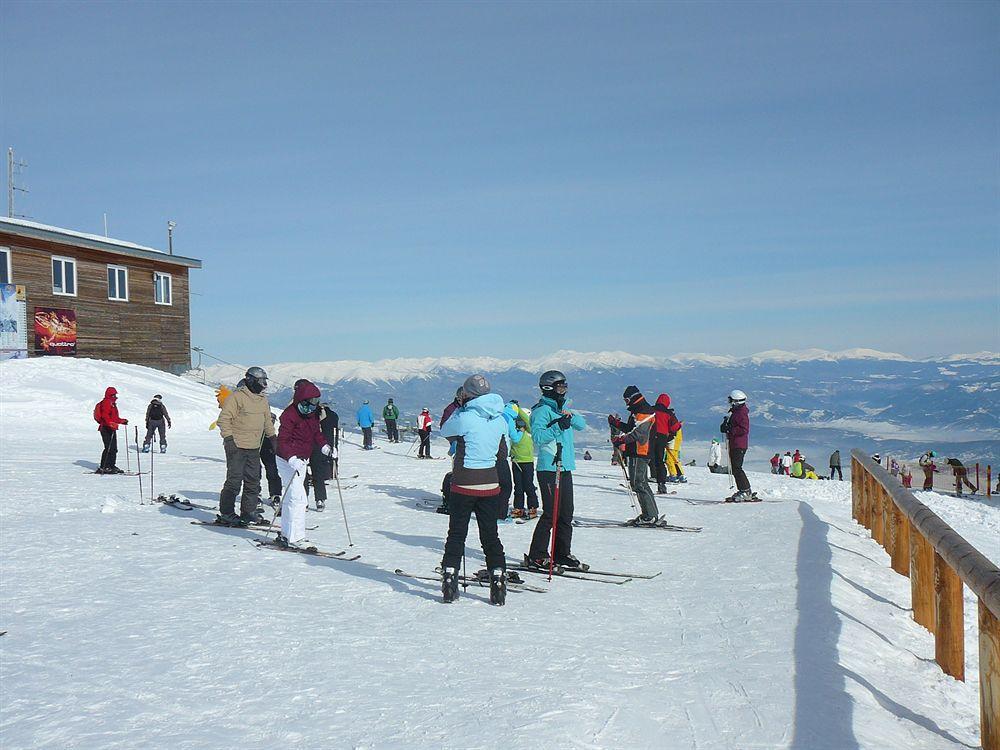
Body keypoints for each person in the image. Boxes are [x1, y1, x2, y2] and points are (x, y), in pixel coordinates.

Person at [438, 374, 509, 605]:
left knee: (457, 534)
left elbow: (445, 431)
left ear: (466, 394)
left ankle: (450, 581)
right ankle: (497, 579)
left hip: (464, 483)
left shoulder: (465, 417)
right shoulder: (500, 419)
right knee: (490, 536)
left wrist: (460, 408)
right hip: (490, 483)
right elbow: (502, 453)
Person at [525, 371, 587, 570]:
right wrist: (558, 426)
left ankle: (562, 553)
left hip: (565, 466)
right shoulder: (541, 411)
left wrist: (568, 415)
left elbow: (581, 425)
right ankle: (537, 554)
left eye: (565, 386)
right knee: (551, 513)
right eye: (560, 386)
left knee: (566, 513)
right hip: (549, 468)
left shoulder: (561, 408)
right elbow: (538, 438)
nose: (564, 390)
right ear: (548, 388)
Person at [276, 379, 336, 547]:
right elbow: (283, 440)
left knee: (293, 498)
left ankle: (288, 534)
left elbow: (316, 432)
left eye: (315, 403)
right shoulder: (289, 415)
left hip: (301, 460)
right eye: (310, 403)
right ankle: (295, 537)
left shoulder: (312, 414)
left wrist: (325, 446)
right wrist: (291, 458)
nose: (312, 407)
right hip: (286, 460)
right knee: (298, 498)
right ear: (301, 400)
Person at [216, 367, 276, 526]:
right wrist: (229, 440)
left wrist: (273, 439)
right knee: (234, 481)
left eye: (265, 381)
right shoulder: (236, 397)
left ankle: (248, 512)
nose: (263, 384)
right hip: (236, 446)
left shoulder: (262, 400)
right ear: (250, 380)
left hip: (254, 447)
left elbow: (267, 422)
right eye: (261, 381)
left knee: (253, 481)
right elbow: (224, 420)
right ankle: (227, 512)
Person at [610, 386, 660, 523]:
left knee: (639, 483)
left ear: (632, 398)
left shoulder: (644, 412)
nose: (626, 403)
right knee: (640, 483)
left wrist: (621, 439)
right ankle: (650, 514)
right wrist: (618, 424)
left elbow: (638, 433)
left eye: (626, 400)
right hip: (637, 451)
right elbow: (632, 429)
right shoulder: (639, 410)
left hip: (640, 451)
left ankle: (649, 516)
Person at [720, 390, 754, 502]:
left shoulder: (740, 413)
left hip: (739, 444)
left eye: (731, 400)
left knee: (737, 468)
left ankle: (745, 490)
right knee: (736, 468)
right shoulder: (736, 412)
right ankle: (744, 490)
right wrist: (727, 426)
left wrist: (730, 429)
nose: (729, 402)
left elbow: (744, 429)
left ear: (736, 401)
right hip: (736, 443)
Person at [508, 401, 539, 519]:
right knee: (518, 487)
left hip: (527, 462)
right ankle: (519, 508)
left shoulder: (528, 432)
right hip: (516, 462)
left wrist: (518, 408)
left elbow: (526, 420)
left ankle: (533, 507)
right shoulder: (515, 433)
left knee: (528, 486)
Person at [652, 393, 683, 493]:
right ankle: (661, 484)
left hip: (650, 436)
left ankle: (641, 481)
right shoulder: (669, 413)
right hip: (662, 438)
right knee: (660, 461)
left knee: (647, 459)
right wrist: (679, 426)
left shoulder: (651, 410)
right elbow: (674, 427)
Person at [93, 386, 128, 474]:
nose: (115, 396)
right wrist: (110, 423)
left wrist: (121, 421)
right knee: (109, 448)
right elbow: (105, 416)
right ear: (110, 394)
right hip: (105, 428)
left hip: (111, 428)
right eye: (113, 394)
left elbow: (114, 417)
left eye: (115, 394)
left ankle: (111, 465)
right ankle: (104, 466)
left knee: (113, 448)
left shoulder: (112, 403)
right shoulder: (107, 402)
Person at [259, 413, 282, 505]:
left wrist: (275, 448)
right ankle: (256, 493)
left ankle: (275, 493)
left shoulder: (271, 432)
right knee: (255, 471)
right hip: (256, 444)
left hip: (268, 447)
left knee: (272, 471)